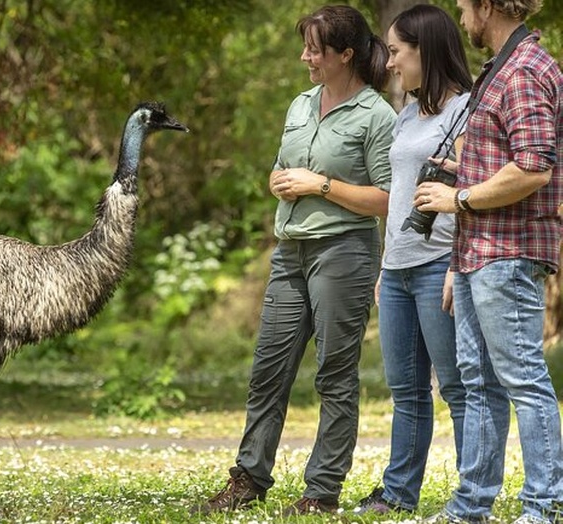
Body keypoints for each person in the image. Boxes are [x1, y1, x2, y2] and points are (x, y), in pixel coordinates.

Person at [193, 5, 396, 517]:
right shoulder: (301, 104)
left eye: (315, 49)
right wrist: (279, 180)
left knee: (333, 372)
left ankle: (322, 490)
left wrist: (320, 185)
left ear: (345, 54)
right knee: (269, 368)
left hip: (344, 252)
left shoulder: (376, 115)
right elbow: (284, 168)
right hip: (290, 253)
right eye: (304, 45)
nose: (305, 56)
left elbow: (390, 199)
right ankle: (249, 477)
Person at [414, 0, 563, 522]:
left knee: (523, 377)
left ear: (487, 5)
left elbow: (533, 168)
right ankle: (471, 506)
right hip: (477, 252)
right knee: (478, 380)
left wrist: (456, 198)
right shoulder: (498, 68)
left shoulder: (523, 70)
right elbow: (506, 158)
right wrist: (461, 169)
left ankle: (544, 506)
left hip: (510, 252)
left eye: (463, 7)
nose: (461, 17)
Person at [353, 4, 473, 516]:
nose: (390, 63)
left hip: (439, 265)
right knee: (406, 392)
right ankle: (399, 495)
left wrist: (455, 267)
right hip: (399, 268)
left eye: (398, 52)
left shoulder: (466, 111)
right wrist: (385, 266)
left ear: (426, 49)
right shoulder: (408, 111)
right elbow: (400, 193)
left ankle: (474, 494)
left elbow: (473, 195)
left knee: (458, 389)